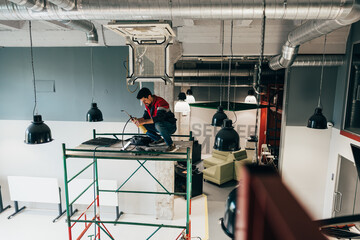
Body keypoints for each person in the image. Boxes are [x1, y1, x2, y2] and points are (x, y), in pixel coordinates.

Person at [132, 87, 177, 152]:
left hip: (170, 126)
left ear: (149, 96)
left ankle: (171, 145)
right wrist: (137, 120)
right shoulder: (148, 104)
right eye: (143, 101)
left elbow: (159, 118)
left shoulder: (161, 102)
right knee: (142, 125)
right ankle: (159, 140)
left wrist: (143, 121)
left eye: (144, 100)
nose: (144, 103)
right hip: (159, 125)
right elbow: (145, 117)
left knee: (157, 124)